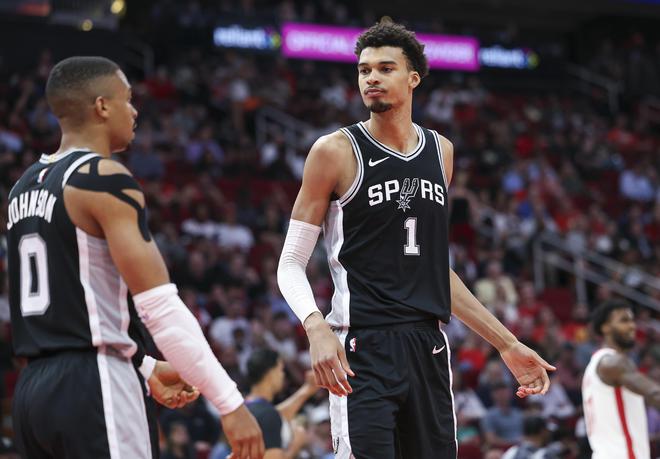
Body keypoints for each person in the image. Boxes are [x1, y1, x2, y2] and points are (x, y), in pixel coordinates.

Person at [277, 20, 555, 459]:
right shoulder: (335, 151)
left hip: (428, 344)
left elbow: (435, 270)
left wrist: (506, 343)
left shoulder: (440, 152)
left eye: (385, 68)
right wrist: (316, 327)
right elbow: (291, 261)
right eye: (364, 70)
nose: (371, 78)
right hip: (362, 345)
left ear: (413, 79)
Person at [6, 56, 264, 459]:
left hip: (32, 394)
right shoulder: (101, 177)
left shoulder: (22, 187)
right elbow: (159, 306)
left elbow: (70, 308)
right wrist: (230, 403)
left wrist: (145, 366)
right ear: (101, 106)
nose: (134, 110)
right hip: (95, 384)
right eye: (127, 99)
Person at [582, 300, 660, 459]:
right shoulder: (613, 363)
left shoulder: (594, 366)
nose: (632, 326)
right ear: (605, 327)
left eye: (632, 320)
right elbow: (655, 394)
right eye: (624, 320)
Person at [244, 348, 319, 459]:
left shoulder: (247, 407)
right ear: (270, 374)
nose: (283, 375)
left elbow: (277, 415)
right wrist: (296, 444)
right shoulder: (267, 414)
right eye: (281, 370)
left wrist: (308, 389)